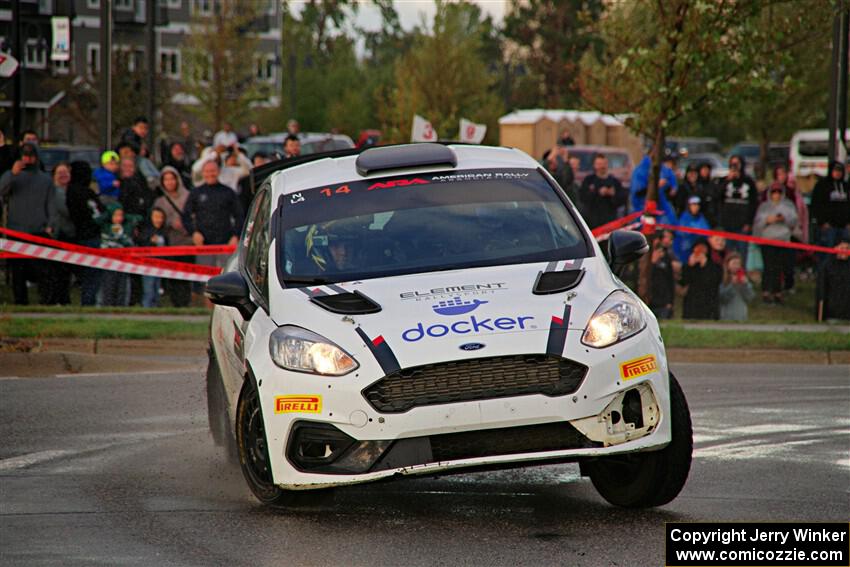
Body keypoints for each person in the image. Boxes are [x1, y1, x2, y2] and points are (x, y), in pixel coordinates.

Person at [0, 142, 54, 304]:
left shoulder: (45, 180)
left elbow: (51, 204)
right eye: (25, 155)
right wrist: (12, 174)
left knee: (42, 272)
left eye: (31, 156)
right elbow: (1, 190)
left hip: (39, 232)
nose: (27, 159)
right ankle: (20, 302)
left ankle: (45, 302)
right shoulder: (13, 176)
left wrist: (50, 225)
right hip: (16, 231)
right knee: (18, 273)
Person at [182, 160, 243, 270]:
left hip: (226, 243)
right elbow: (185, 215)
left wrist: (236, 236)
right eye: (207, 171)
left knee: (226, 274)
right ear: (202, 173)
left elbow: (239, 215)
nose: (210, 174)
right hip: (203, 244)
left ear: (218, 172)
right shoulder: (196, 192)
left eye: (213, 171)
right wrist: (194, 233)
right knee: (204, 276)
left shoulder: (228, 192)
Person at [153, 166, 193, 307]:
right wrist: (170, 223)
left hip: (187, 242)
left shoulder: (188, 196)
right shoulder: (160, 201)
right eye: (166, 179)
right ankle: (176, 303)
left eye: (172, 179)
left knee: (187, 274)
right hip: (170, 243)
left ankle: (186, 302)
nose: (169, 182)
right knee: (173, 276)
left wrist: (187, 225)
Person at [66, 161, 103, 305]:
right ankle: (89, 303)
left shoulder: (73, 191)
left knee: (90, 275)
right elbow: (97, 212)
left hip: (80, 237)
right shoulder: (83, 193)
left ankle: (89, 302)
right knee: (92, 275)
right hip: (88, 237)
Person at [753, 185, 798, 304]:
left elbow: (794, 221)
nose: (776, 194)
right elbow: (757, 222)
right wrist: (767, 220)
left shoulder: (788, 205)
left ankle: (777, 292)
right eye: (774, 192)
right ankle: (766, 291)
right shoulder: (764, 206)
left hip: (783, 239)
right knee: (768, 266)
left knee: (779, 267)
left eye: (779, 192)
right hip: (767, 239)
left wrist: (784, 218)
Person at [97, 202, 141, 306]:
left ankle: (121, 307)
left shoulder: (126, 227)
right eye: (116, 215)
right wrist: (108, 213)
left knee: (122, 287)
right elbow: (97, 220)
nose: (119, 218)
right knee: (107, 286)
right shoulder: (105, 226)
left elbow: (139, 218)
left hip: (123, 263)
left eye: (121, 215)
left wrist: (125, 217)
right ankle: (106, 306)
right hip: (107, 263)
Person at [43, 162, 75, 305]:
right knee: (54, 270)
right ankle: (53, 299)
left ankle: (63, 299)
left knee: (65, 271)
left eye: (66, 172)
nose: (63, 175)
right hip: (55, 235)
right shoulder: (52, 192)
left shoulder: (72, 191)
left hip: (69, 234)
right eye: (60, 173)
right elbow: (65, 210)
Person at [718, 154, 758, 265]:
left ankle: (742, 273)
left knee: (742, 253)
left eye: (737, 164)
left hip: (742, 224)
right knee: (728, 253)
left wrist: (749, 222)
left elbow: (753, 203)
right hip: (728, 223)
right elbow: (717, 196)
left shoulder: (749, 182)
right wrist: (727, 181)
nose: (734, 166)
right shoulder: (724, 181)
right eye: (732, 164)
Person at [810, 161, 850, 263]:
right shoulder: (822, 185)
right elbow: (816, 205)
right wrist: (822, 222)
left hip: (844, 227)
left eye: (840, 170)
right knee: (826, 254)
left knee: (844, 255)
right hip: (828, 227)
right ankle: (823, 272)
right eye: (835, 170)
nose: (838, 173)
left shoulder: (846, 186)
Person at [578, 153, 625, 229]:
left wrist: (613, 195)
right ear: (594, 165)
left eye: (604, 164)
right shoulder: (589, 180)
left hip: (609, 223)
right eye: (599, 164)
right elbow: (583, 198)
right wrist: (597, 192)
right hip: (591, 223)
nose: (602, 166)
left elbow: (621, 201)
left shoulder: (615, 182)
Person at [630, 153, 678, 224]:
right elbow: (638, 192)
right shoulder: (640, 171)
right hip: (642, 211)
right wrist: (656, 185)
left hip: (658, 211)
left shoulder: (660, 169)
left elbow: (669, 188)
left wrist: (671, 187)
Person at [681, 239, 722, 320]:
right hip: (692, 301)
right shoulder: (688, 265)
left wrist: (705, 265)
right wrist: (689, 266)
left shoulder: (715, 266)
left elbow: (713, 281)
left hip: (709, 300)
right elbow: (684, 281)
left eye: (703, 248)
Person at [137, 207, 169, 308]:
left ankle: (155, 309)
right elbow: (141, 245)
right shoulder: (145, 232)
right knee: (149, 290)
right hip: (148, 265)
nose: (159, 220)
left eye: (161, 217)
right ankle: (146, 309)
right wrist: (149, 241)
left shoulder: (164, 232)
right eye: (156, 217)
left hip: (161, 265)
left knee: (157, 289)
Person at [817, 239, 850, 321]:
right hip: (832, 309)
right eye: (842, 248)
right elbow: (822, 287)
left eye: (847, 248)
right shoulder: (827, 265)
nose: (844, 251)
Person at [674, 196, 711, 263]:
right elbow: (681, 233)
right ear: (689, 206)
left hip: (698, 243)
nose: (696, 207)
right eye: (694, 205)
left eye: (697, 205)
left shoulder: (701, 217)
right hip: (685, 244)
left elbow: (707, 231)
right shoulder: (684, 217)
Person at [719, 253, 754, 321]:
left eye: (738, 264)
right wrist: (732, 285)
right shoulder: (723, 280)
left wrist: (745, 285)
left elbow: (750, 298)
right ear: (727, 265)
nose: (736, 266)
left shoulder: (744, 279)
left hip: (741, 317)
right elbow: (722, 299)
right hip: (726, 317)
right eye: (734, 263)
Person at [649, 237, 675, 320]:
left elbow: (670, 281)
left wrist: (670, 302)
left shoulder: (666, 259)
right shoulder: (644, 259)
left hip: (663, 302)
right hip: (647, 301)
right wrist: (652, 263)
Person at [695, 162, 720, 226]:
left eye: (707, 170)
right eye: (703, 169)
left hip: (711, 216)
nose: (705, 172)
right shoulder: (696, 184)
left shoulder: (713, 184)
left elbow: (716, 199)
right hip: (698, 215)